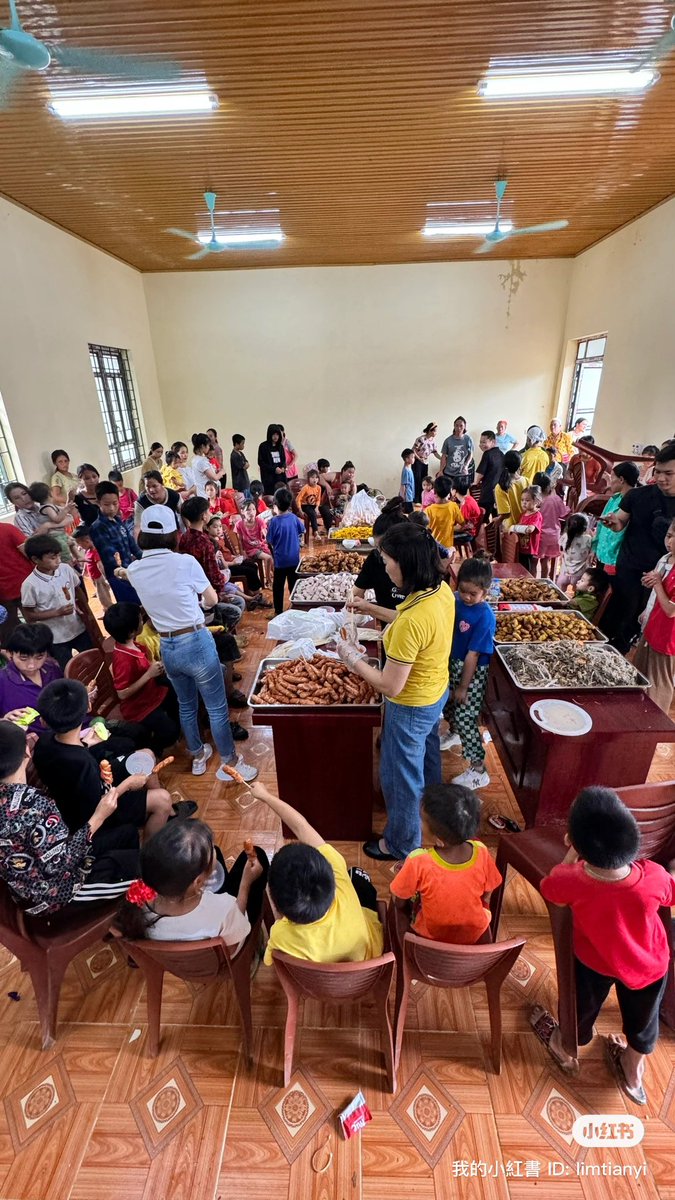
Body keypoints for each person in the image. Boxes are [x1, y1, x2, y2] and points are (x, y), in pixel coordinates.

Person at [531, 787, 675, 1104]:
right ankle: (633, 1071)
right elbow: (671, 893)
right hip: (649, 965)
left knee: (580, 1010)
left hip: (593, 962)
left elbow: (550, 887)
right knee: (643, 1022)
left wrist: (570, 855)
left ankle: (566, 1048)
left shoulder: (572, 880)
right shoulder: (653, 876)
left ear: (573, 842)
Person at [337, 523, 455, 861]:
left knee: (399, 776)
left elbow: (390, 685)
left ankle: (402, 843)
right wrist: (371, 609)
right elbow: (410, 619)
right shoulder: (439, 592)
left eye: (388, 562)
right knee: (426, 755)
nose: (385, 569)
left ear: (407, 564)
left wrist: (352, 657)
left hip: (410, 705)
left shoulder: (411, 622)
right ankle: (431, 808)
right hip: (435, 691)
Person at [125, 505, 258, 782]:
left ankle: (198, 755)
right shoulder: (184, 562)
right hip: (195, 640)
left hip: (168, 646)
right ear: (174, 533)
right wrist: (194, 601)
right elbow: (211, 600)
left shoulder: (135, 569)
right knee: (216, 707)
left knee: (186, 704)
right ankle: (230, 764)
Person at [0, 720, 138, 915]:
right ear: (26, 753)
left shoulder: (25, 800)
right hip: (54, 894)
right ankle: (126, 914)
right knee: (141, 868)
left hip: (30, 879)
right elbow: (58, 863)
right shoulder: (34, 805)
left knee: (128, 834)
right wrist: (98, 817)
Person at [251, 782, 383, 964]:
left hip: (317, 983)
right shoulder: (340, 875)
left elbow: (271, 960)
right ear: (331, 875)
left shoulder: (280, 935)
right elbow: (301, 827)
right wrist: (267, 796)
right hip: (368, 964)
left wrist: (263, 796)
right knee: (357, 876)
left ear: (277, 905)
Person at [34, 678, 172, 845]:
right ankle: (150, 848)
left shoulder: (44, 741)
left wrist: (86, 744)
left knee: (146, 755)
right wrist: (128, 784)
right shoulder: (82, 763)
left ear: (44, 720)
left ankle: (167, 813)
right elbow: (101, 805)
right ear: (88, 707)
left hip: (79, 793)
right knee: (163, 799)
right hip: (93, 814)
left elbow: (68, 756)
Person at [115, 818, 268, 946]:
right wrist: (245, 884)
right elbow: (236, 938)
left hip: (178, 960)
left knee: (218, 852)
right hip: (225, 955)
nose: (213, 849)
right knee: (259, 854)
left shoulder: (138, 899)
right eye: (210, 851)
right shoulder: (224, 906)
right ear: (199, 882)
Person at [390, 783, 502, 943]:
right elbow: (487, 892)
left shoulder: (418, 860)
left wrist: (403, 878)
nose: (419, 825)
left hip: (429, 934)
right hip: (473, 932)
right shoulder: (482, 851)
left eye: (422, 820)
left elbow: (400, 901)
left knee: (401, 891)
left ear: (439, 841)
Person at [600, 444, 675, 651]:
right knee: (621, 615)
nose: (661, 478)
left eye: (668, 473)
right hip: (629, 568)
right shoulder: (637, 495)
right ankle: (612, 651)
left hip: (663, 576)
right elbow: (620, 523)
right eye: (658, 472)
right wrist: (612, 522)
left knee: (648, 621)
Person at [439, 557, 495, 788]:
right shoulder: (455, 601)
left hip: (471, 674)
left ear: (485, 591)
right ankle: (452, 733)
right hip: (453, 665)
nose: (466, 597)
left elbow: (473, 655)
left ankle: (478, 769)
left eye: (473, 594)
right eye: (462, 590)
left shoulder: (485, 616)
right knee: (449, 706)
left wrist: (463, 687)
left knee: (465, 718)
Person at [103, 602, 180, 755]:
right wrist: (149, 674)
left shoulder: (134, 645)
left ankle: (175, 728)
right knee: (170, 733)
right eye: (140, 620)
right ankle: (148, 751)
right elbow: (122, 693)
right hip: (139, 707)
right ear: (132, 632)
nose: (142, 621)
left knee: (177, 694)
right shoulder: (124, 659)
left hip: (152, 694)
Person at [20, 534, 92, 669]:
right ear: (36, 559)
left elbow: (77, 590)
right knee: (67, 668)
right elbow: (29, 615)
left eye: (59, 556)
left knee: (93, 659)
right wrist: (56, 612)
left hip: (78, 627)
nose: (58, 561)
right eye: (53, 558)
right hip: (56, 638)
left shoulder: (65, 569)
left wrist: (87, 612)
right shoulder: (30, 585)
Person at [178, 499, 247, 630]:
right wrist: (222, 585)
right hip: (206, 593)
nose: (210, 513)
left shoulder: (184, 537)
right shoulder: (205, 542)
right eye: (208, 511)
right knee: (238, 606)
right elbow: (213, 575)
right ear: (204, 516)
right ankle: (221, 632)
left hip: (190, 590)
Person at [633, 518, 675, 714]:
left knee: (659, 683)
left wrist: (657, 583)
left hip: (668, 638)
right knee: (639, 673)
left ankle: (653, 725)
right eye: (669, 535)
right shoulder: (666, 559)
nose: (670, 541)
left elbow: (671, 610)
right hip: (652, 626)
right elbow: (656, 595)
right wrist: (647, 610)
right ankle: (636, 715)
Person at [351, 499, 409, 624]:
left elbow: (411, 621)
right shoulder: (376, 558)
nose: (381, 555)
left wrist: (370, 608)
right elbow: (355, 594)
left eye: (384, 550)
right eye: (377, 548)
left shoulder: (420, 569)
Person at [0, 623, 62, 732]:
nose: (31, 665)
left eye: (39, 657)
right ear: (10, 653)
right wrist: (4, 721)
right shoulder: (2, 681)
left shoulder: (51, 668)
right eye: (23, 658)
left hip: (62, 731)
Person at [90, 482, 142, 604]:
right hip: (118, 576)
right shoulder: (98, 527)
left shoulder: (118, 520)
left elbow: (132, 545)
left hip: (131, 570)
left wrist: (145, 559)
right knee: (131, 608)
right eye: (107, 504)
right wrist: (128, 571)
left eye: (115, 503)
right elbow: (111, 559)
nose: (112, 508)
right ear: (98, 503)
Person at [591, 461, 639, 576]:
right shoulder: (614, 499)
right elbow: (601, 526)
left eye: (612, 477)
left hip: (617, 559)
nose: (610, 482)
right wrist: (595, 548)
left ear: (621, 480)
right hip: (602, 554)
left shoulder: (636, 502)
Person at [267, 487, 305, 615]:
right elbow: (302, 531)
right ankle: (296, 609)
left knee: (278, 587)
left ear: (275, 505)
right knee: (294, 585)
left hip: (280, 561)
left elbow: (270, 540)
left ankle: (278, 611)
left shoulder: (273, 522)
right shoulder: (294, 518)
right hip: (294, 559)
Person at [0, 519, 33, 645]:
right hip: (25, 585)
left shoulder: (8, 529)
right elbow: (29, 553)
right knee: (37, 624)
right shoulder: (8, 529)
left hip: (6, 593)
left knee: (11, 630)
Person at [532, 472, 569, 580]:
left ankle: (533, 582)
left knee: (534, 562)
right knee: (546, 561)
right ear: (548, 486)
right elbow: (564, 513)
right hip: (553, 535)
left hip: (538, 536)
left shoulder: (535, 500)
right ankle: (544, 582)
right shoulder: (555, 499)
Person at [27, 481, 75, 563]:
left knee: (73, 542)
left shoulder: (51, 506)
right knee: (64, 553)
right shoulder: (46, 507)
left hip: (61, 533)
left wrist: (68, 503)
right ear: (50, 494)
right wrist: (67, 509)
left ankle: (77, 557)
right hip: (55, 536)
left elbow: (67, 514)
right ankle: (68, 564)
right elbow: (56, 519)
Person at [72, 525, 114, 610]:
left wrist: (105, 578)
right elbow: (88, 561)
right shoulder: (89, 550)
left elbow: (99, 565)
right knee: (101, 594)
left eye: (80, 544)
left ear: (87, 541)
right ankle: (106, 609)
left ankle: (109, 609)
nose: (80, 546)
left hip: (99, 577)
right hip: (95, 577)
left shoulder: (95, 551)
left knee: (103, 596)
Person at [235, 500, 274, 588]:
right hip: (251, 549)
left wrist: (269, 538)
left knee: (272, 561)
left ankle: (270, 574)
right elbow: (240, 541)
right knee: (268, 558)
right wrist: (242, 553)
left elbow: (265, 533)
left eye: (253, 509)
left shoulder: (259, 521)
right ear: (242, 511)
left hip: (261, 546)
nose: (251, 512)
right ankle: (268, 580)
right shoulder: (239, 524)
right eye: (248, 510)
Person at [133, 470, 182, 540]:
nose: (151, 490)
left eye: (154, 486)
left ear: (162, 484)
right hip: (153, 539)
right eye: (148, 487)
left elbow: (184, 515)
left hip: (173, 534)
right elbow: (137, 526)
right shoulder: (141, 502)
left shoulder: (174, 496)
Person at [510, 485, 543, 575]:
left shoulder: (537, 515)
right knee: (520, 569)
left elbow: (530, 529)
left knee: (527, 572)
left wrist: (514, 527)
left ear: (536, 501)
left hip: (529, 550)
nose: (524, 503)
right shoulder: (523, 514)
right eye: (522, 500)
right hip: (521, 548)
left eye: (527, 500)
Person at [425, 476, 464, 551]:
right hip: (448, 547)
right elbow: (462, 523)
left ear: (435, 491)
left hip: (433, 547)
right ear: (450, 491)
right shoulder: (453, 506)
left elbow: (425, 529)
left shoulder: (428, 510)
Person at [557, 513, 593, 594]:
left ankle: (559, 604)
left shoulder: (565, 537)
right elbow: (592, 548)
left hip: (565, 572)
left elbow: (560, 549)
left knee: (559, 592)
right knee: (578, 594)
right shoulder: (588, 539)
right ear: (585, 528)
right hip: (580, 575)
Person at [474, 431, 504, 517]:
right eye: (480, 442)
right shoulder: (501, 454)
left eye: (484, 442)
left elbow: (480, 474)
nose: (481, 445)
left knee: (482, 518)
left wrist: (475, 483)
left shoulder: (487, 454)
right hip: (498, 492)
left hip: (487, 492)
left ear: (493, 442)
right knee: (496, 518)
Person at [494, 451, 527, 530]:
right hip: (525, 525)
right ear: (520, 465)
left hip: (511, 529)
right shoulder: (526, 480)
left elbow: (506, 513)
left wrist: (498, 519)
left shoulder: (501, 486)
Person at [411, 422, 441, 502]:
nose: (435, 433)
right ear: (430, 431)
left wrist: (442, 458)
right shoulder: (421, 439)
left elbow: (435, 452)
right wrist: (419, 458)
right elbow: (413, 450)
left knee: (424, 481)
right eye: (434, 431)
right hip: (417, 462)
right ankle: (416, 499)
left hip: (425, 462)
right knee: (417, 480)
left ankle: (423, 499)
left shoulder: (433, 441)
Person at [440, 416, 474, 484]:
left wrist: (466, 466)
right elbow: (443, 456)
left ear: (464, 427)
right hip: (449, 472)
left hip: (462, 473)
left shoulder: (468, 439)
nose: (459, 428)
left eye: (461, 426)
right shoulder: (448, 440)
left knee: (460, 493)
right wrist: (441, 470)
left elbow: (471, 454)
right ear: (454, 426)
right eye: (456, 425)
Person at [189, 432, 220, 499]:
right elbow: (214, 477)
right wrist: (222, 472)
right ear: (203, 446)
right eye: (208, 445)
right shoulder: (201, 461)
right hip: (207, 494)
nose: (209, 447)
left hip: (203, 493)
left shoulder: (195, 459)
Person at [451, 480, 481, 548]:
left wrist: (447, 527)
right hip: (469, 529)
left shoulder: (465, 505)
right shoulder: (468, 498)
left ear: (455, 491)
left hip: (467, 534)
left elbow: (460, 528)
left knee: (443, 536)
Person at [258, 425, 287, 496]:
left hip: (280, 478)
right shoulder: (263, 446)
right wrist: (274, 469)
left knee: (281, 496)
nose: (276, 437)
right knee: (270, 498)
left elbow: (283, 460)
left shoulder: (280, 447)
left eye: (277, 434)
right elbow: (261, 462)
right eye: (273, 434)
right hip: (269, 479)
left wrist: (283, 467)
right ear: (269, 434)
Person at [296, 468, 324, 535]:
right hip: (305, 505)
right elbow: (298, 499)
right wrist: (300, 510)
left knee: (325, 509)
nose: (315, 479)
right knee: (312, 513)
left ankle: (328, 529)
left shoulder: (319, 488)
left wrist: (317, 507)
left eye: (316, 477)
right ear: (308, 479)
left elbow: (318, 499)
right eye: (312, 477)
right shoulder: (306, 487)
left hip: (314, 505)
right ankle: (315, 531)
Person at [399, 449, 415, 514]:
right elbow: (403, 485)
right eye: (412, 457)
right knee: (409, 513)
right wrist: (402, 498)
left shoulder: (409, 468)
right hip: (407, 497)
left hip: (410, 495)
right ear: (407, 459)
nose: (414, 459)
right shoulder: (406, 471)